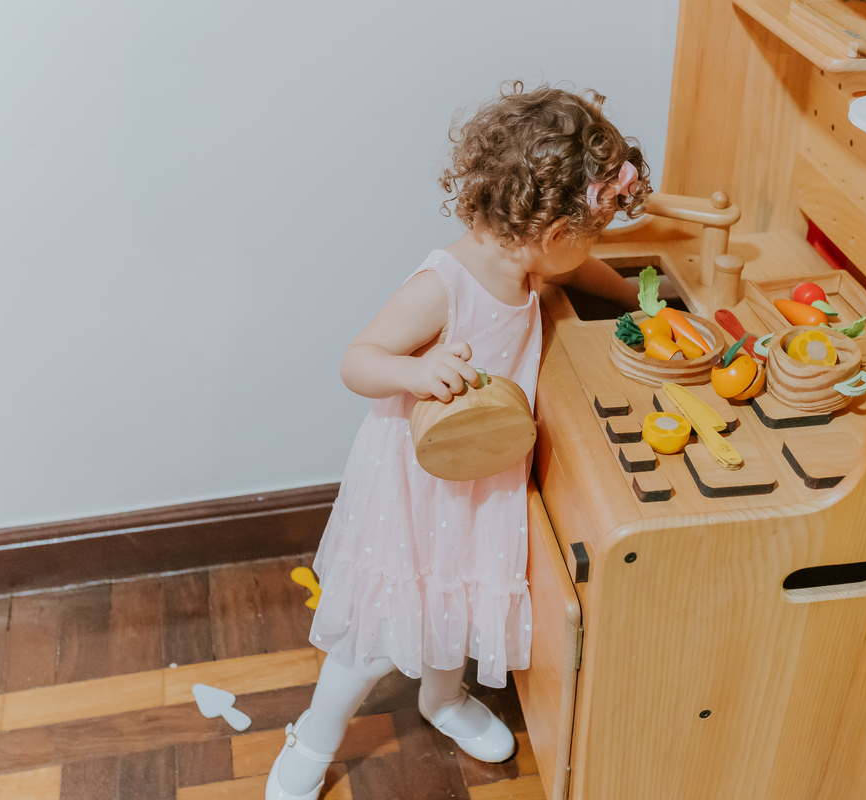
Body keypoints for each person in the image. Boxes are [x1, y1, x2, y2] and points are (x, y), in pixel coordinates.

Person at [267, 83, 651, 800]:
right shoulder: (444, 284)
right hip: (418, 483)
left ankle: (442, 699)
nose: (592, 248)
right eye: (591, 233)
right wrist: (415, 371)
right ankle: (314, 735)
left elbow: (582, 271)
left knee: (461, 601)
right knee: (380, 631)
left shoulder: (529, 262)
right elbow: (357, 361)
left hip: (483, 471)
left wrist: (637, 298)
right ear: (551, 231)